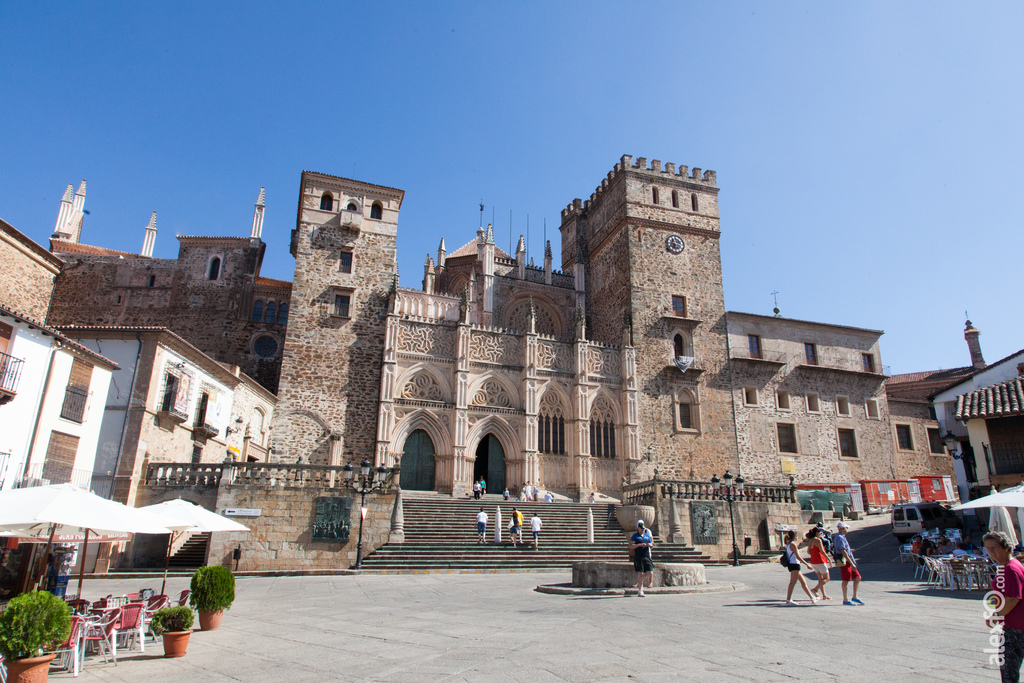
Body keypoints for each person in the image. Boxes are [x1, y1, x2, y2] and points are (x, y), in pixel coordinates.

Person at [984, 530, 1024, 683]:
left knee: (1009, 671)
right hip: (1012, 626)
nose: (990, 552)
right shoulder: (1007, 566)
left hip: (1018, 628)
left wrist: (996, 616)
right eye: (987, 548)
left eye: (993, 548)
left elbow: (1013, 598)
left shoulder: (1011, 569)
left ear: (1006, 548)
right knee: (1008, 670)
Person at [782, 530, 818, 605]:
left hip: (792, 564)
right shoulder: (793, 545)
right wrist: (807, 564)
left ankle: (812, 598)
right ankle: (788, 599)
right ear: (795, 537)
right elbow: (798, 556)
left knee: (803, 582)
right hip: (795, 564)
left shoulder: (788, 545)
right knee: (792, 582)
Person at [834, 521, 863, 605]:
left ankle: (855, 597)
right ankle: (845, 599)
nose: (847, 530)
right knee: (846, 580)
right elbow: (843, 551)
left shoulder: (840, 536)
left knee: (857, 577)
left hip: (848, 561)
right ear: (843, 529)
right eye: (846, 528)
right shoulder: (840, 537)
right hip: (846, 562)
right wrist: (851, 562)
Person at [805, 527, 832, 600]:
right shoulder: (818, 540)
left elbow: (808, 551)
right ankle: (815, 589)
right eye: (819, 532)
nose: (820, 534)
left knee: (820, 579)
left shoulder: (811, 540)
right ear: (816, 533)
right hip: (820, 561)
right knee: (827, 578)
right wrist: (829, 558)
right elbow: (822, 552)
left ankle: (824, 595)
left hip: (813, 561)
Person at [630, 520, 654, 597]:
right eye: (641, 528)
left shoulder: (647, 536)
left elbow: (652, 544)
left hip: (647, 555)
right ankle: (640, 590)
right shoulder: (635, 536)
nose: (643, 529)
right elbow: (631, 546)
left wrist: (650, 545)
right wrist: (639, 545)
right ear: (638, 528)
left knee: (649, 572)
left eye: (643, 528)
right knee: (640, 572)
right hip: (639, 556)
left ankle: (639, 581)